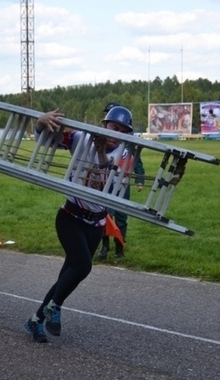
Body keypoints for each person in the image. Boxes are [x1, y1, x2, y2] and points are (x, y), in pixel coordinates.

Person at [24, 105, 134, 343]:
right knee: (83, 266)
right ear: (104, 125)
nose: (116, 135)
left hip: (96, 224)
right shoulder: (81, 136)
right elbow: (46, 140)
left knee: (68, 276)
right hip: (70, 217)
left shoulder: (126, 154)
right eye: (114, 128)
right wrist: (41, 122)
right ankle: (56, 307)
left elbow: (113, 184)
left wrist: (103, 151)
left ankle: (35, 320)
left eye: (123, 132)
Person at [98, 102, 145, 260]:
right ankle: (104, 246)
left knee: (121, 216)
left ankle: (120, 246)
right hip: (107, 182)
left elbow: (137, 161)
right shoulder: (101, 139)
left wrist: (139, 179)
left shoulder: (129, 141)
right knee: (106, 214)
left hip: (123, 183)